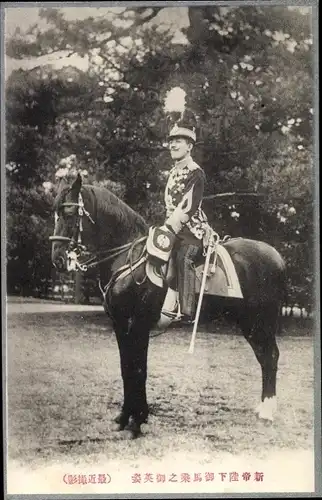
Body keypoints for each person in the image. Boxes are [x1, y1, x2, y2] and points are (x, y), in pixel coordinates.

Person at [159, 110, 211, 325]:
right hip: (172, 228)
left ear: (189, 146)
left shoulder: (195, 172)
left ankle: (186, 310)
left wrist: (169, 228)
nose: (172, 145)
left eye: (178, 141)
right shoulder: (173, 172)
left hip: (192, 230)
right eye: (171, 141)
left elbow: (187, 207)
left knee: (184, 257)